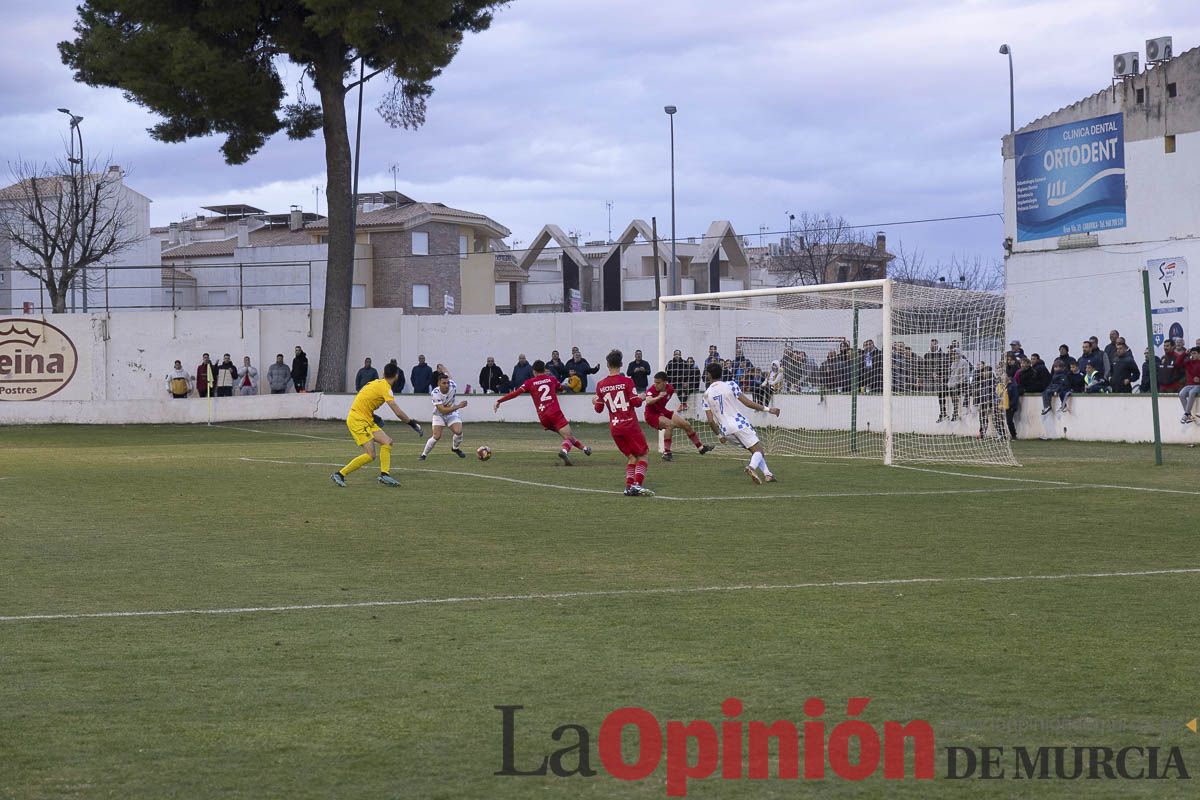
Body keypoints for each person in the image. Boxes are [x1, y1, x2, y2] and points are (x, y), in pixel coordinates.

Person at [330, 362, 424, 488]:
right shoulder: (385, 388)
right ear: (396, 375)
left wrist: (373, 416)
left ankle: (384, 475)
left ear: (383, 373)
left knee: (387, 442)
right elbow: (397, 412)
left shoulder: (376, 383)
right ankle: (340, 474)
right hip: (358, 420)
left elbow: (363, 399)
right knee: (370, 455)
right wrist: (413, 424)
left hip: (365, 418)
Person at [494, 359, 592, 465]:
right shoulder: (551, 379)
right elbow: (560, 388)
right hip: (554, 413)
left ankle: (585, 449)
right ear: (545, 370)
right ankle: (564, 451)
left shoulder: (529, 382)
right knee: (568, 436)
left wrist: (499, 401)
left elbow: (515, 393)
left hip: (543, 417)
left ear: (534, 371)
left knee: (567, 436)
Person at [701, 361, 781, 484]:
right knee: (759, 451)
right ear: (721, 374)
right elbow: (748, 403)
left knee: (754, 451)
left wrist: (719, 435)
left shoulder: (706, 395)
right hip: (739, 424)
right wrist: (769, 409)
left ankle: (768, 474)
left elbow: (710, 421)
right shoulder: (731, 385)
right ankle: (751, 467)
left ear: (709, 375)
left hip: (726, 431)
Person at [594, 349, 653, 496]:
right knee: (643, 454)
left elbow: (599, 409)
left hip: (615, 427)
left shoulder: (601, 385)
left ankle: (628, 487)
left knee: (632, 457)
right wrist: (643, 397)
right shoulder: (627, 381)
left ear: (607, 364)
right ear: (621, 364)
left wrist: (595, 401)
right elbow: (636, 403)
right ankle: (637, 485)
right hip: (629, 425)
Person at [644, 371, 713, 461]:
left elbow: (678, 391)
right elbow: (648, 401)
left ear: (665, 383)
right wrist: (658, 397)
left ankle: (701, 448)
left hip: (662, 411)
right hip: (651, 415)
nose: (655, 385)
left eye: (658, 383)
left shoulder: (670, 389)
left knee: (686, 424)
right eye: (655, 382)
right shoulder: (651, 390)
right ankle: (666, 453)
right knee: (669, 425)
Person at [420, 374, 468, 460]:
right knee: (436, 436)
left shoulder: (453, 386)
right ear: (439, 383)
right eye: (444, 383)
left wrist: (442, 367)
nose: (446, 385)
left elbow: (448, 374)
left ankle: (455, 448)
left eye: (447, 383)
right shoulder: (435, 393)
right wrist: (459, 406)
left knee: (458, 431)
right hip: (439, 415)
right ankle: (424, 455)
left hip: (452, 413)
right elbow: (442, 410)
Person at [924, 338, 952, 422]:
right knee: (940, 395)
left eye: (935, 344)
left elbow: (945, 367)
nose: (933, 346)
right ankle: (943, 413)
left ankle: (946, 413)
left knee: (942, 394)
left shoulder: (942, 355)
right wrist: (931, 373)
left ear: (937, 345)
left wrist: (939, 374)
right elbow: (924, 367)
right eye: (931, 344)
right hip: (931, 379)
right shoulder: (926, 355)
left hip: (943, 379)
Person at [946, 344, 972, 420]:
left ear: (958, 354)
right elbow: (952, 375)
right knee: (949, 392)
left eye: (953, 354)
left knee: (955, 392)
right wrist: (950, 383)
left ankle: (957, 412)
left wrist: (957, 383)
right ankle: (954, 411)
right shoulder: (953, 363)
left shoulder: (964, 362)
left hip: (963, 383)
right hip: (955, 383)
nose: (952, 356)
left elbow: (964, 375)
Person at [972, 363, 998, 439]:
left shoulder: (992, 381)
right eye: (983, 371)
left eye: (986, 371)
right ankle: (982, 433)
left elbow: (993, 392)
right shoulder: (980, 380)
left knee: (996, 418)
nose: (983, 373)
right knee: (982, 418)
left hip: (991, 401)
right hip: (983, 402)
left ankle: (1001, 433)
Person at [1179, 348, 1200, 423]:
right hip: (1189, 385)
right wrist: (1184, 353)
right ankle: (1189, 415)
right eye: (1192, 353)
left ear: (1199, 354)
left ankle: (1186, 413)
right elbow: (1177, 363)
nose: (1192, 355)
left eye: (1194, 353)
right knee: (1181, 394)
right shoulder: (1188, 362)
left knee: (1192, 392)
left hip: (1198, 385)